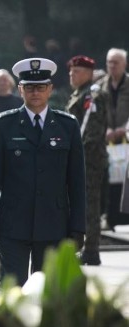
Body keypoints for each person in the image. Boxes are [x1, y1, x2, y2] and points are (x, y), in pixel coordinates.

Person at [0, 58, 85, 286]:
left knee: (49, 295)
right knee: (12, 294)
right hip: (13, 224)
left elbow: (77, 182)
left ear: (50, 89)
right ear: (20, 89)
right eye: (29, 87)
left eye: (40, 87)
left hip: (54, 224)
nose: (35, 92)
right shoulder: (3, 125)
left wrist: (78, 227)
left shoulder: (67, 125)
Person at [67, 55, 108, 266]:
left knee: (90, 204)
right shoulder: (80, 94)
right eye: (71, 71)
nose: (72, 74)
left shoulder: (93, 95)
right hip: (80, 157)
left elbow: (91, 131)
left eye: (78, 71)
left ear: (90, 73)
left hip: (89, 159)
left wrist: (76, 155)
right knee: (79, 203)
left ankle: (91, 250)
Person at [98, 48, 129, 228]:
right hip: (107, 141)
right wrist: (106, 128)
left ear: (124, 64)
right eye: (109, 62)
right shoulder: (102, 85)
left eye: (116, 62)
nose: (112, 66)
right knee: (108, 179)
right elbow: (95, 112)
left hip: (126, 138)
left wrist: (124, 129)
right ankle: (108, 217)